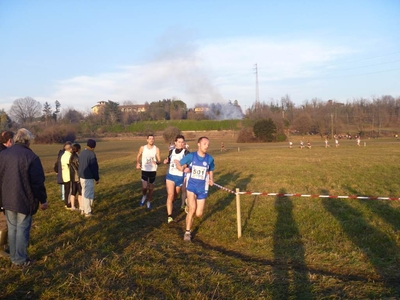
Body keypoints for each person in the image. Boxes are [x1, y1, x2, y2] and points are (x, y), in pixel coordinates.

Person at [0, 128, 48, 267]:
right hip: (24, 199)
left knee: (13, 228)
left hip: (8, 199)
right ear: (27, 141)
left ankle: (15, 256)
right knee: (21, 230)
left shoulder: (3, 154)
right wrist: (43, 199)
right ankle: (19, 259)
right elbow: (37, 182)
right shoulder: (32, 157)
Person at [175, 136, 215, 242]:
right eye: (204, 144)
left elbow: (211, 170)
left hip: (202, 188)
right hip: (191, 186)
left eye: (208, 144)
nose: (206, 146)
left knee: (199, 214)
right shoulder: (191, 156)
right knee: (192, 209)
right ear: (199, 144)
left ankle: (189, 205)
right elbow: (179, 164)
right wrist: (184, 169)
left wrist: (211, 179)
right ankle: (187, 232)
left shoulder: (210, 159)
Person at [163, 135, 190, 223]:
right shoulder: (171, 151)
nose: (181, 144)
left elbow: (188, 164)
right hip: (170, 176)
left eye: (182, 142)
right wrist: (166, 161)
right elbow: (169, 160)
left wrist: (185, 166)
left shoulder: (186, 153)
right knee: (170, 195)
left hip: (180, 177)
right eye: (179, 142)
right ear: (175, 143)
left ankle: (170, 203)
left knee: (175, 196)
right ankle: (169, 216)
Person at [136, 134, 161, 210]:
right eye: (150, 139)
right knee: (144, 187)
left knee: (150, 188)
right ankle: (144, 196)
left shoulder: (156, 149)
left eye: (153, 139)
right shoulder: (142, 148)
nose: (151, 140)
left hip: (153, 170)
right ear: (147, 140)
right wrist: (138, 163)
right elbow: (138, 156)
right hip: (144, 169)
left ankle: (148, 202)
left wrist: (157, 162)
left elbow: (159, 160)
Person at [0, 131, 14, 258]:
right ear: (9, 141)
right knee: (4, 222)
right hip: (2, 194)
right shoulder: (4, 154)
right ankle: (1, 247)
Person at [78, 139, 99, 217]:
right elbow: (94, 168)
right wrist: (96, 178)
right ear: (93, 146)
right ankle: (87, 212)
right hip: (88, 177)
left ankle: (83, 209)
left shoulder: (82, 153)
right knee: (88, 194)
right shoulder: (92, 154)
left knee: (83, 193)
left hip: (81, 176)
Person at [69, 143, 82, 213]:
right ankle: (81, 206)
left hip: (72, 177)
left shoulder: (71, 156)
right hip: (78, 177)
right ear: (78, 149)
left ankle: (72, 206)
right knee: (80, 192)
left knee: (73, 192)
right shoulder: (77, 158)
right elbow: (79, 168)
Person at [61, 143, 73, 209]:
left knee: (66, 190)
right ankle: (68, 204)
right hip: (69, 176)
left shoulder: (63, 155)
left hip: (64, 175)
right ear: (70, 149)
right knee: (69, 191)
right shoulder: (69, 156)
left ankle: (67, 202)